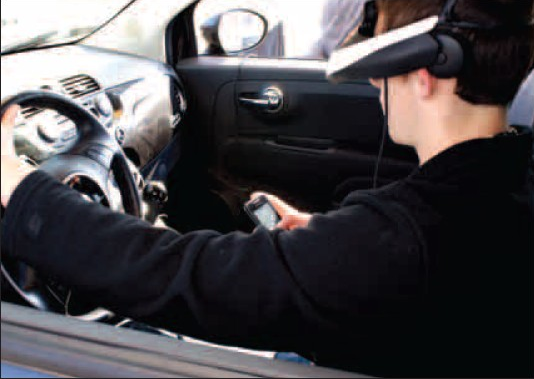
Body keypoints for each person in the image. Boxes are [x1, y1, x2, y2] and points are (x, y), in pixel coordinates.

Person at [1, 0, 533, 376]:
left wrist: (21, 189)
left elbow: (182, 275)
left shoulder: (399, 244)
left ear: (423, 72)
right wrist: (325, 238)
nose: (374, 82)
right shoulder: (507, 181)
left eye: (379, 67)